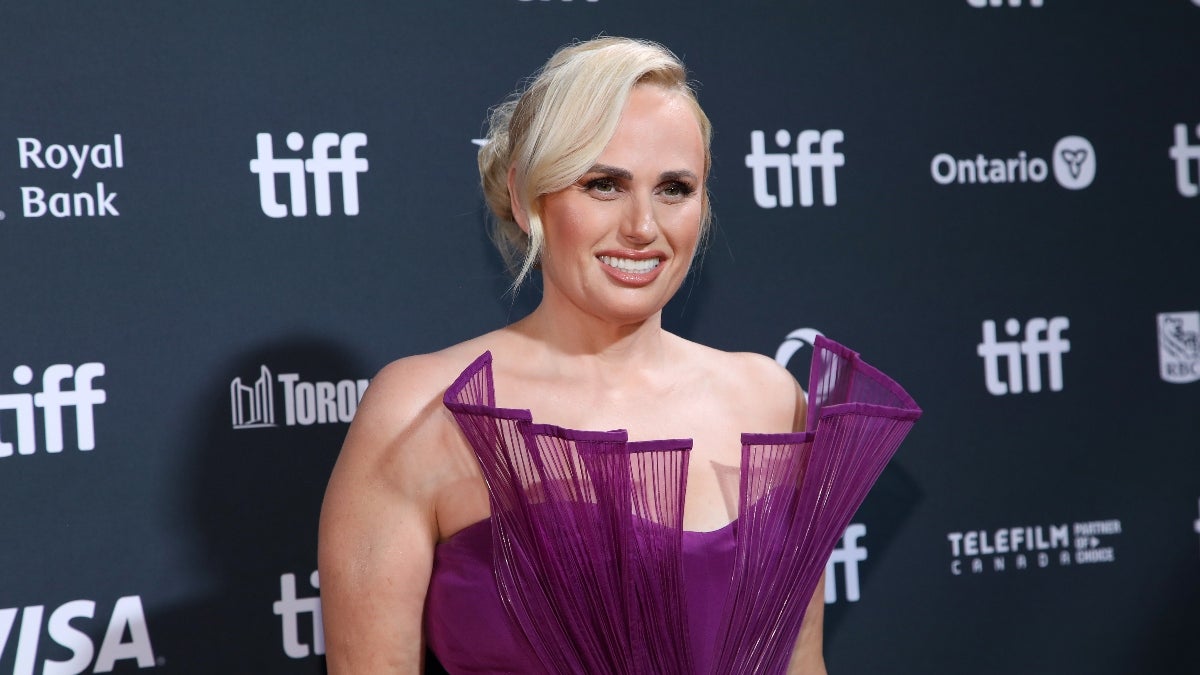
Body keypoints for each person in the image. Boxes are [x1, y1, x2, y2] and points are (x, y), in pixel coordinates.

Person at [320, 37, 911, 674]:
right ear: (526, 197)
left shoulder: (769, 400)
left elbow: (801, 664)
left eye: (675, 188)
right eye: (604, 184)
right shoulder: (425, 410)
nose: (642, 227)